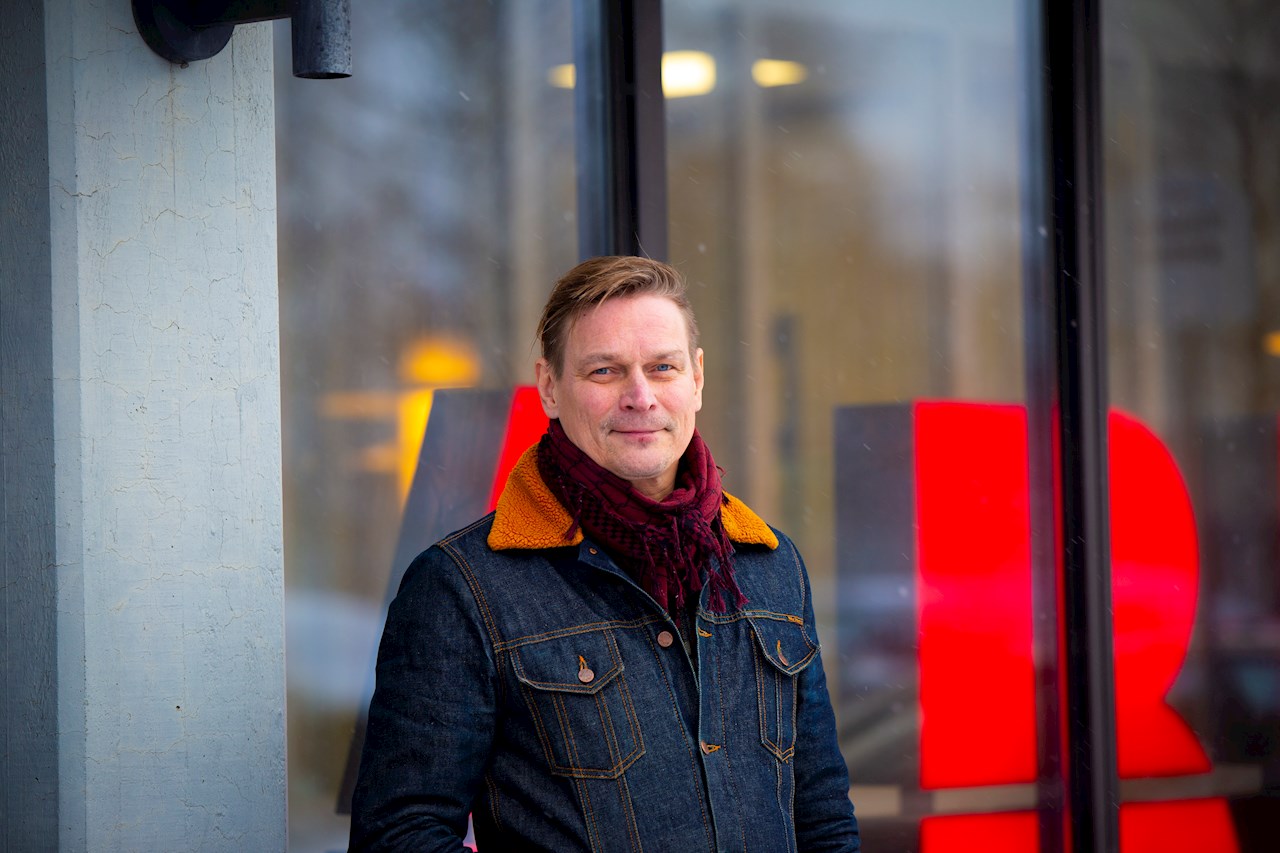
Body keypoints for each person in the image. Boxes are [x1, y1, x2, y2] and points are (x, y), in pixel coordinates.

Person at [350, 256, 859, 852]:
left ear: (696, 378)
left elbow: (822, 817)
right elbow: (399, 836)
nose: (640, 397)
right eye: (604, 371)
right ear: (550, 388)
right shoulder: (462, 588)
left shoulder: (770, 565)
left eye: (662, 367)